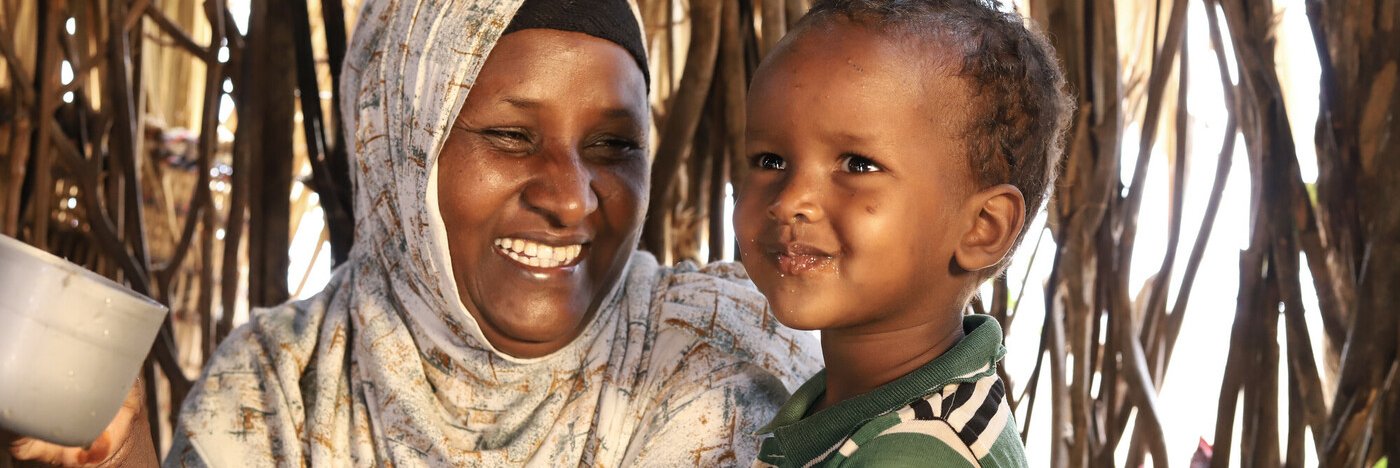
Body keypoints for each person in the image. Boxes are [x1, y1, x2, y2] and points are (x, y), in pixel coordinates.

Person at [9, 0, 819, 466]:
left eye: (614, 146)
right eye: (509, 136)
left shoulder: (722, 358)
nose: (573, 200)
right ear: (398, 151)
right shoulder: (277, 388)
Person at [734, 0, 1072, 466]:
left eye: (858, 165)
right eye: (771, 160)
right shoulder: (853, 402)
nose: (790, 201)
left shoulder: (918, 454)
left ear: (982, 227)